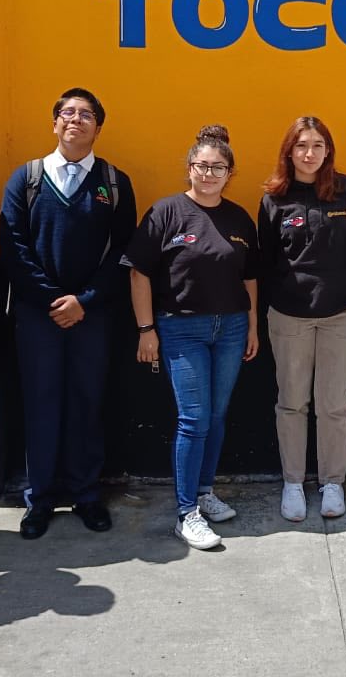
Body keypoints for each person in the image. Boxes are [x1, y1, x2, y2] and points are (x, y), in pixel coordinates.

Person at [1, 87, 137, 540]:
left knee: (86, 402)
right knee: (40, 404)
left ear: (98, 127)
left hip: (91, 316)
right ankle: (39, 499)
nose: (75, 120)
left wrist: (85, 300)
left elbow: (123, 251)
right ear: (54, 122)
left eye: (86, 115)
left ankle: (86, 494)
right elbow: (14, 247)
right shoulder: (27, 178)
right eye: (67, 113)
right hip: (37, 316)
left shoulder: (113, 183)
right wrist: (50, 300)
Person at [123, 125, 260, 550]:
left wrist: (252, 325)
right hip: (181, 329)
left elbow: (250, 277)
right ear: (189, 168)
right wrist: (146, 329)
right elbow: (139, 273)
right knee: (193, 418)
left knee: (216, 416)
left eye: (218, 167)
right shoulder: (166, 212)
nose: (209, 173)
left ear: (230, 173)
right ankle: (186, 514)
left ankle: (203, 492)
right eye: (202, 166)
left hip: (231, 328)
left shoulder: (239, 218)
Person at [258, 116, 346, 522]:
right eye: (301, 145)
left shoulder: (345, 190)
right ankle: (293, 482)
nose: (309, 153)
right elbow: (266, 261)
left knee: (334, 405)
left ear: (328, 151)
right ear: (289, 152)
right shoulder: (273, 198)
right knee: (292, 403)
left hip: (341, 314)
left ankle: (332, 482)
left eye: (318, 145)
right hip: (290, 316)